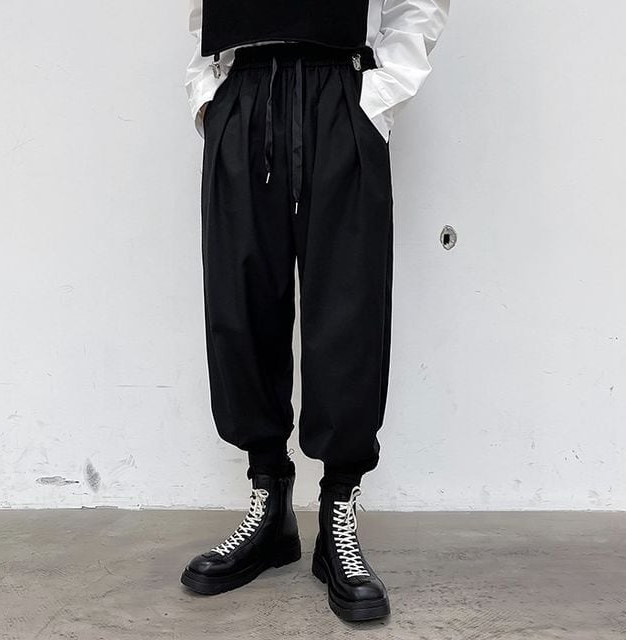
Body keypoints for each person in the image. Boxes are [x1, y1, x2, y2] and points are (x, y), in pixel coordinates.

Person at [180, 0, 450, 622]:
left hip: (340, 92)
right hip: (242, 91)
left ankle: (338, 516)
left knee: (348, 310)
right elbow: (201, 11)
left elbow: (420, 6)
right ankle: (269, 507)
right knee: (239, 304)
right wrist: (208, 97)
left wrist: (378, 96)